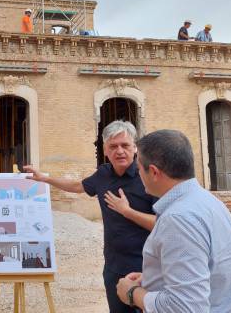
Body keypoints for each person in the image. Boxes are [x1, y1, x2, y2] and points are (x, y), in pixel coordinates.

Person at [24, 120, 156, 313]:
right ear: (105, 150)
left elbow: (163, 224)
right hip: (113, 266)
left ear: (135, 147)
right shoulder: (103, 174)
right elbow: (78, 186)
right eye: (113, 146)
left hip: (145, 268)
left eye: (125, 145)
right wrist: (45, 179)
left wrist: (127, 212)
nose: (120, 151)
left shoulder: (148, 177)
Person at [116, 130, 231, 312]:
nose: (138, 174)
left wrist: (133, 293)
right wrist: (156, 276)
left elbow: (185, 306)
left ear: (154, 172)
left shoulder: (178, 220)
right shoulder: (208, 201)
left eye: (139, 168)